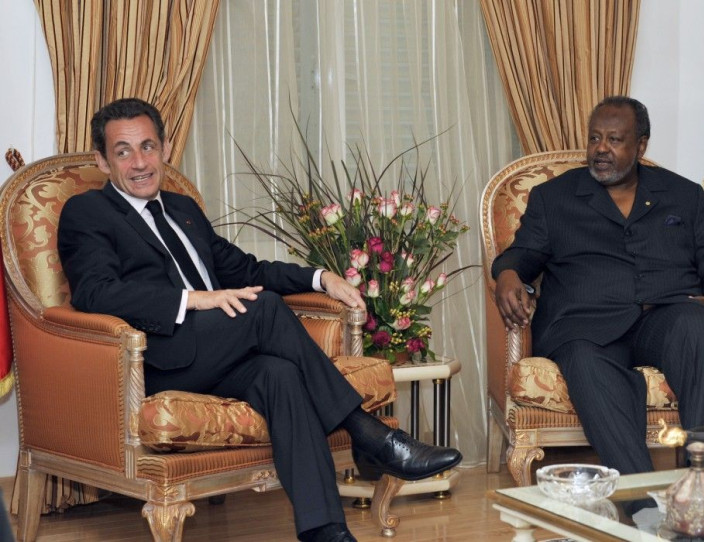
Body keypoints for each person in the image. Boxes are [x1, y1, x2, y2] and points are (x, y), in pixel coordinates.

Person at [57, 97, 462, 542]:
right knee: (267, 307)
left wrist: (320, 276)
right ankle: (369, 435)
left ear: (166, 148)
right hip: (157, 359)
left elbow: (246, 271)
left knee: (280, 374)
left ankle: (325, 531)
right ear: (102, 160)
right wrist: (193, 300)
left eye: (148, 147)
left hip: (220, 354)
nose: (139, 162)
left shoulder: (183, 209)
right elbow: (96, 292)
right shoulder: (87, 213)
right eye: (123, 151)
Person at [492, 95, 704, 475]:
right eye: (594, 138)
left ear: (641, 145)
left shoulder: (682, 195)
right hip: (585, 327)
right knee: (585, 364)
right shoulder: (554, 198)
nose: (601, 149)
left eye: (614, 140)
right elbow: (521, 254)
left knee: (700, 327)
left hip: (664, 318)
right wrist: (506, 274)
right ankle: (638, 504)